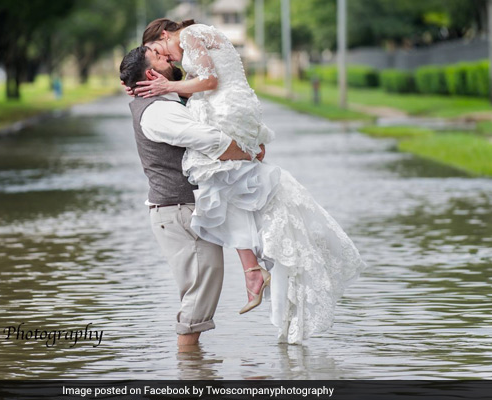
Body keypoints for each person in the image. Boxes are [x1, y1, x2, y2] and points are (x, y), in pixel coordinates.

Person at [133, 19, 367, 344]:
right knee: (227, 186)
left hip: (226, 104)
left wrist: (169, 87)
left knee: (221, 180)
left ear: (163, 34)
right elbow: (203, 86)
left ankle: (251, 276)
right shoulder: (166, 89)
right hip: (222, 110)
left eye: (161, 51)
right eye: (160, 58)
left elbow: (211, 80)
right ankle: (253, 271)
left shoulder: (189, 36)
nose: (168, 59)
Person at [119, 46, 263, 347]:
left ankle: (192, 372)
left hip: (180, 211)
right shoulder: (158, 111)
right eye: (161, 58)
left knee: (200, 294)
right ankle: (189, 375)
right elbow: (210, 140)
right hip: (178, 212)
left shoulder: (161, 103)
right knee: (199, 298)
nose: (170, 58)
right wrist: (250, 154)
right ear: (150, 74)